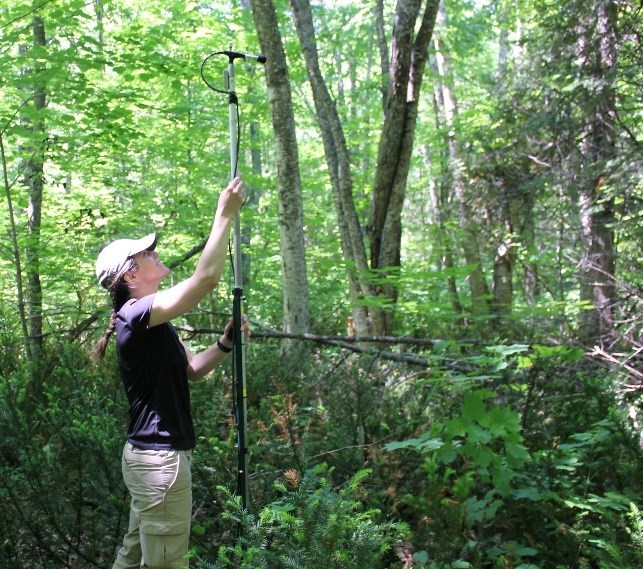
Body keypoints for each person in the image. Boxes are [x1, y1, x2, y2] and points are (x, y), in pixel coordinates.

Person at [93, 176, 247, 569]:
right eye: (146, 253)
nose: (156, 252)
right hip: (158, 462)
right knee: (166, 563)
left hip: (152, 460)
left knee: (132, 555)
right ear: (130, 276)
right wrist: (223, 216)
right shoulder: (135, 314)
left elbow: (191, 370)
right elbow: (205, 281)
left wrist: (225, 343)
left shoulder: (154, 322)